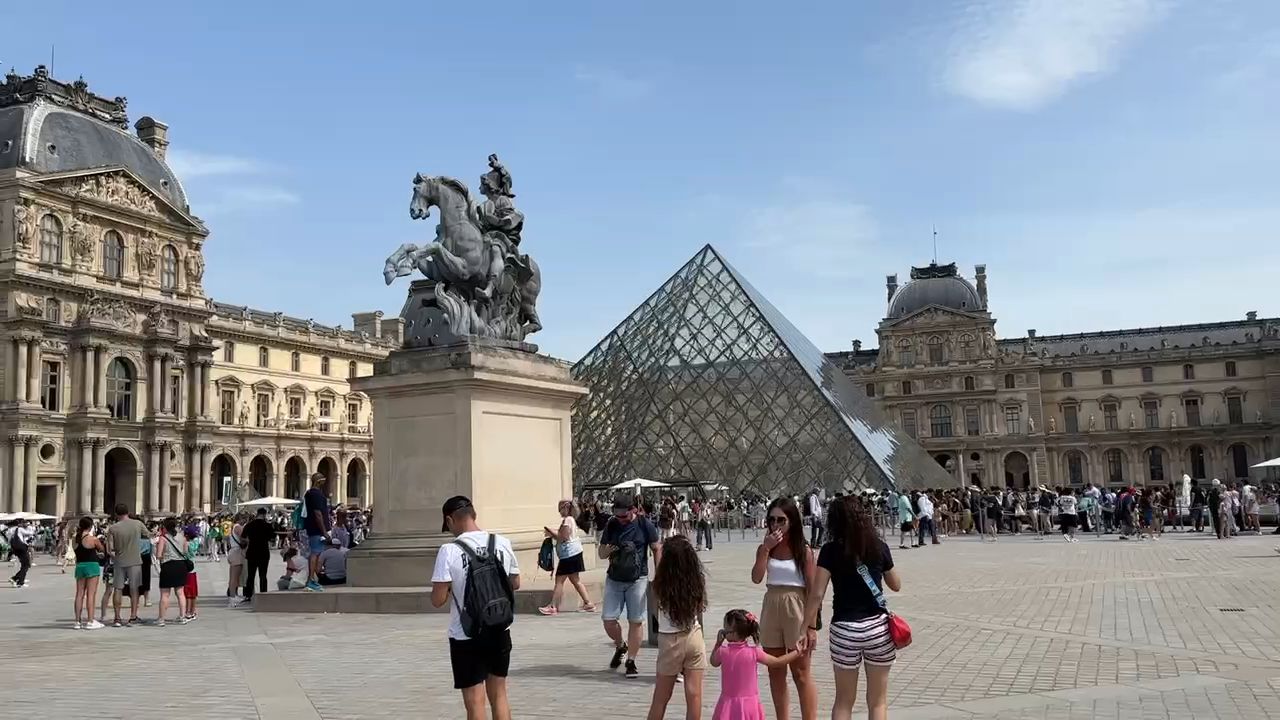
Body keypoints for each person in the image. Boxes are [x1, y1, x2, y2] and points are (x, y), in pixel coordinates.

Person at [801, 496, 901, 720]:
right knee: (877, 702)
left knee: (844, 701)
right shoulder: (879, 547)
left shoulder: (829, 550)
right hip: (877, 628)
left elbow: (817, 594)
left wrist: (806, 627)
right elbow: (896, 585)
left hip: (844, 628)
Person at [431, 496, 520, 720]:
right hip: (498, 627)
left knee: (475, 703)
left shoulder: (449, 550)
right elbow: (515, 583)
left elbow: (438, 599)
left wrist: (454, 587)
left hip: (466, 634)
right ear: (474, 515)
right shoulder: (501, 542)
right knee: (499, 696)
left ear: (450, 520)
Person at [750, 497, 817, 720]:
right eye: (772, 520)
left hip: (797, 605)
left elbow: (813, 589)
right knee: (774, 671)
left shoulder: (803, 550)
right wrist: (766, 549)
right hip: (772, 604)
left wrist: (811, 626)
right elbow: (757, 577)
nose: (776, 525)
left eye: (781, 520)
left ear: (792, 521)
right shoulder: (766, 547)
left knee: (801, 672)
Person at [599, 493, 662, 679]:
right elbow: (601, 552)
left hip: (638, 579)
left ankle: (631, 661)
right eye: (617, 516)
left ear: (633, 510)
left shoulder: (644, 525)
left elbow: (657, 547)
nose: (621, 520)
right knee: (608, 620)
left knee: (635, 620)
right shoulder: (612, 524)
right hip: (614, 578)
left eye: (624, 516)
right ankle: (620, 644)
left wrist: (658, 575)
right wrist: (607, 550)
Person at [645, 535, 708, 720]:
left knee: (661, 697)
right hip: (694, 635)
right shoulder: (697, 581)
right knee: (694, 694)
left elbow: (655, 613)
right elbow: (699, 607)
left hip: (670, 639)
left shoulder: (659, 585)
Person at [711, 609, 802, 720]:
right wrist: (797, 652)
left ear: (733, 633)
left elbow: (713, 662)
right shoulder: (754, 652)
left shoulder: (722, 652)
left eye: (725, 630)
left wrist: (718, 643)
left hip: (728, 705)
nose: (724, 633)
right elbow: (777, 662)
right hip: (750, 705)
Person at [538, 500, 595, 615]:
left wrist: (550, 532)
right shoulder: (571, 520)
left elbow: (563, 537)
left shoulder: (568, 520)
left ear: (565, 508)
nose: (559, 512)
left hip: (569, 555)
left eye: (560, 509)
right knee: (575, 580)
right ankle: (588, 603)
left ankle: (553, 606)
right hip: (574, 553)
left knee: (559, 580)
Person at [105, 504, 148, 625]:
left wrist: (116, 556)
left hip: (119, 561)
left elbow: (109, 549)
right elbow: (149, 535)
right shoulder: (137, 524)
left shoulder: (113, 528)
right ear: (128, 512)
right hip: (134, 560)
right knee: (134, 589)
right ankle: (133, 616)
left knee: (118, 588)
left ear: (116, 514)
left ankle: (117, 618)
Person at [70, 516, 105, 630]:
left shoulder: (75, 538)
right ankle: (90, 620)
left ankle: (77, 621)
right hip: (92, 566)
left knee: (79, 594)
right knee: (91, 594)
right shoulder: (93, 539)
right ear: (90, 526)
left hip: (80, 566)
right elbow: (102, 550)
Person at [154, 517, 189, 626]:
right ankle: (182, 616)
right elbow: (185, 551)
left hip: (168, 565)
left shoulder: (163, 538)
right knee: (180, 593)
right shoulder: (182, 537)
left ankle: (161, 619)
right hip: (180, 565)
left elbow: (158, 555)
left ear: (165, 527)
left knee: (165, 594)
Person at [303, 473, 332, 592]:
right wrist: (324, 531)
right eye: (323, 481)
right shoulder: (317, 495)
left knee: (316, 553)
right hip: (317, 529)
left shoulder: (309, 493)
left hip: (311, 527)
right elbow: (318, 514)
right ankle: (311, 580)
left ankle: (312, 580)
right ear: (319, 482)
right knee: (315, 553)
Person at [242, 508, 275, 601]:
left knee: (251, 575)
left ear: (257, 514)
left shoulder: (249, 525)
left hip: (252, 552)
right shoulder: (267, 526)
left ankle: (248, 595)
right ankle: (263, 594)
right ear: (264, 515)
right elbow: (272, 539)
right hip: (264, 552)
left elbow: (243, 538)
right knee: (263, 575)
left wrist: (249, 541)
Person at [5, 520, 34, 588]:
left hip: (16, 549)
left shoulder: (10, 530)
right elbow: (30, 533)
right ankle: (20, 582)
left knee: (25, 565)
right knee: (26, 565)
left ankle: (16, 579)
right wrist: (30, 527)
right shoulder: (20, 529)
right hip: (22, 548)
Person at [226, 513, 246, 605]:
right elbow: (244, 537)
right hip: (236, 552)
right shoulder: (238, 527)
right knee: (234, 577)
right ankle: (232, 597)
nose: (244, 521)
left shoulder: (234, 527)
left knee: (235, 577)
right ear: (240, 519)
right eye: (243, 519)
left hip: (234, 552)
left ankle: (233, 596)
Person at [182, 526, 201, 621]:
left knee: (187, 593)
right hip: (194, 568)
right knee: (193, 593)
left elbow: (184, 553)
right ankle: (193, 611)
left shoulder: (186, 543)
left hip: (186, 568)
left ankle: (188, 612)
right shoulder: (196, 542)